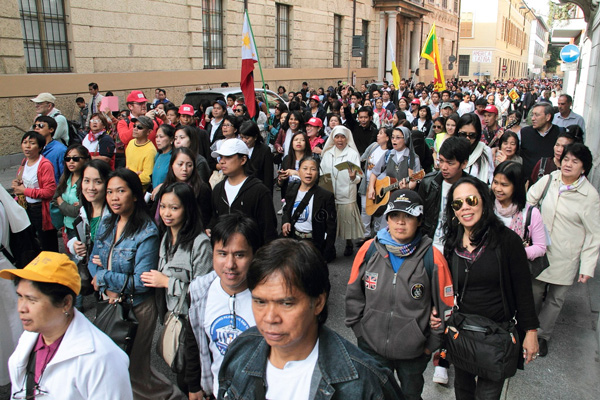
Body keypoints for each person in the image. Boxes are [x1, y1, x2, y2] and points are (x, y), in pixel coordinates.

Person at [218, 239, 404, 400]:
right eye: (260, 301)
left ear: (318, 303)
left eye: (286, 303)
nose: (269, 318)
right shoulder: (240, 350)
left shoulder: (366, 381)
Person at [88, 168, 186, 400]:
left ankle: (170, 396)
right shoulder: (107, 222)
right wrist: (99, 272)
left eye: (120, 191)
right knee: (115, 368)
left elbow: (141, 282)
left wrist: (103, 276)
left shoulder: (146, 232)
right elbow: (93, 259)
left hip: (135, 309)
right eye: (110, 192)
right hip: (108, 305)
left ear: (134, 195)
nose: (114, 197)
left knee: (134, 370)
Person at [346, 190, 453, 399]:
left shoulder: (433, 257)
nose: (400, 222)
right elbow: (353, 293)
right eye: (395, 215)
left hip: (413, 353)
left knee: (410, 395)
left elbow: (445, 306)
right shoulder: (369, 250)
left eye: (408, 216)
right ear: (387, 218)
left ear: (419, 220)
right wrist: (360, 331)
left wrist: (430, 346)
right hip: (372, 348)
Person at [441, 176, 539, 399]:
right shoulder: (452, 241)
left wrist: (531, 332)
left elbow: (523, 290)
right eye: (457, 203)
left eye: (471, 200)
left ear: (484, 202)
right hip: (463, 332)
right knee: (463, 391)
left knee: (488, 395)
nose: (465, 207)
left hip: (497, 335)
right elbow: (446, 286)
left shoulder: (507, 241)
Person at [1, 252, 132, 399]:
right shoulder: (30, 337)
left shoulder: (103, 360)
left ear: (66, 303)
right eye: (20, 296)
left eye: (32, 300)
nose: (21, 308)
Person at [527, 143, 600, 357]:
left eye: (575, 161)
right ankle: (528, 328)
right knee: (534, 292)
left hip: (566, 255)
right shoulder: (550, 179)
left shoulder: (590, 195)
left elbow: (594, 234)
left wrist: (587, 267)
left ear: (584, 168)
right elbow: (529, 200)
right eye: (566, 159)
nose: (568, 164)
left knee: (556, 299)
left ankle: (543, 335)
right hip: (541, 249)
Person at [141, 182, 212, 392]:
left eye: (174, 208)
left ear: (187, 208)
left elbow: (203, 292)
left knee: (192, 379)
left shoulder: (200, 243)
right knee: (181, 372)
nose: (166, 213)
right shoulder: (166, 236)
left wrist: (166, 282)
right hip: (172, 316)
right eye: (163, 206)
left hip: (192, 323)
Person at [184, 214, 262, 399]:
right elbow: (194, 340)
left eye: (240, 255)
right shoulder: (199, 291)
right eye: (222, 253)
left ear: (254, 255)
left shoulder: (266, 295)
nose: (230, 264)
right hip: (218, 391)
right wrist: (194, 385)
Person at [210, 139, 278, 244]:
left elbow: (269, 231)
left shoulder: (259, 191)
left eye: (228, 157)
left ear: (243, 160)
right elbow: (214, 220)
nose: (222, 161)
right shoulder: (218, 189)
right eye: (221, 157)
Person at [320, 125, 365, 256]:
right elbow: (322, 172)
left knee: (347, 220)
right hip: (330, 192)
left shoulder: (352, 154)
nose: (340, 140)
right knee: (330, 220)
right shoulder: (327, 153)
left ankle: (348, 243)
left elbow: (359, 176)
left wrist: (353, 177)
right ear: (333, 139)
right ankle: (330, 245)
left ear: (347, 138)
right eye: (337, 137)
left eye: (342, 137)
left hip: (347, 191)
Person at [281, 157, 337, 261]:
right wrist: (286, 221)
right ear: (298, 171)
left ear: (318, 173)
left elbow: (331, 227)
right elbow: (286, 209)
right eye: (305, 168)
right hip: (294, 239)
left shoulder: (325, 196)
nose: (309, 172)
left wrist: (326, 253)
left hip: (313, 243)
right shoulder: (292, 188)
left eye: (313, 169)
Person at [492, 161, 546, 263]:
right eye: (495, 182)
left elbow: (540, 247)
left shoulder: (531, 213)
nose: (498, 189)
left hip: (514, 266)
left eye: (504, 185)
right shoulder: (486, 207)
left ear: (516, 186)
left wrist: (516, 252)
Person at [12, 131, 58, 252]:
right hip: (27, 207)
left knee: (47, 244)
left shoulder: (45, 165)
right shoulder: (24, 162)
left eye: (32, 143)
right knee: (32, 243)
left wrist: (25, 191)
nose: (27, 146)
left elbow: (49, 192)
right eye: (25, 142)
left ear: (40, 147)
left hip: (41, 210)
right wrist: (18, 184)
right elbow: (22, 181)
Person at [153, 147, 213, 229]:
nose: (184, 169)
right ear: (172, 165)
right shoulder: (165, 187)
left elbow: (206, 218)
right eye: (180, 164)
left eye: (189, 165)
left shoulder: (201, 188)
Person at [53, 145, 90, 240]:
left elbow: (77, 211)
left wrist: (61, 202)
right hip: (67, 226)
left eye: (75, 158)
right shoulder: (65, 177)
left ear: (86, 160)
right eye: (67, 159)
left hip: (82, 228)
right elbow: (54, 199)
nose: (71, 161)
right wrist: (69, 206)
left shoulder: (87, 181)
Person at [520, 103, 561, 181]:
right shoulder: (524, 133)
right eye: (532, 115)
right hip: (527, 182)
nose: (533, 118)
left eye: (537, 115)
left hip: (552, 182)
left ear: (548, 117)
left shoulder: (559, 133)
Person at [456, 113, 494, 185]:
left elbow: (490, 176)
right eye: (463, 134)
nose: (467, 138)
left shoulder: (485, 151)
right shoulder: (452, 148)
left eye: (472, 135)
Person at [239, 120, 274, 194]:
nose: (244, 140)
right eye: (242, 137)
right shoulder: (238, 149)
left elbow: (268, 177)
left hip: (257, 191)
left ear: (255, 137)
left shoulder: (264, 150)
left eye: (247, 138)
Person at [277, 131, 312, 202]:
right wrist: (281, 179)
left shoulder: (311, 161)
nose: (298, 142)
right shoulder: (287, 159)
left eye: (302, 140)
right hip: (289, 197)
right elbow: (280, 184)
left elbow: (314, 181)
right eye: (296, 140)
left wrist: (296, 173)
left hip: (306, 197)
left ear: (306, 143)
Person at [125, 116, 157, 191]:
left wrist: (130, 178)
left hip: (139, 190)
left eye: (139, 127)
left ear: (149, 132)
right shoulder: (131, 143)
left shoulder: (150, 150)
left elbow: (147, 177)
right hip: (127, 186)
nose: (135, 129)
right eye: (134, 126)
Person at [33, 115, 67, 185]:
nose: (36, 128)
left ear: (51, 130)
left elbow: (65, 175)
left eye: (41, 126)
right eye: (35, 126)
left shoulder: (60, 150)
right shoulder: (33, 148)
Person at [151, 124, 176, 197]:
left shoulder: (174, 157)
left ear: (171, 139)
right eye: (156, 137)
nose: (158, 140)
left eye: (161, 137)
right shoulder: (158, 155)